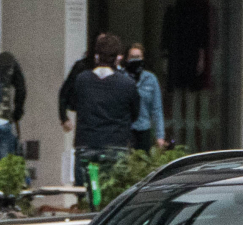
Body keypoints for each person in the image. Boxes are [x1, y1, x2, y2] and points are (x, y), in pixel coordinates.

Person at [59, 32, 141, 191]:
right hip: (116, 146)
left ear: (96, 56)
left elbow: (72, 103)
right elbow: (135, 114)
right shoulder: (127, 84)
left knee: (86, 196)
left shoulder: (82, 80)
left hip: (86, 144)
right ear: (118, 57)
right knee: (114, 197)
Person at [123, 43, 166, 149]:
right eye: (132, 57)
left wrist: (160, 136)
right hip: (125, 130)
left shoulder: (151, 79)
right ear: (127, 59)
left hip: (144, 130)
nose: (135, 60)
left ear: (143, 58)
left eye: (138, 57)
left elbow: (157, 109)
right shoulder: (121, 78)